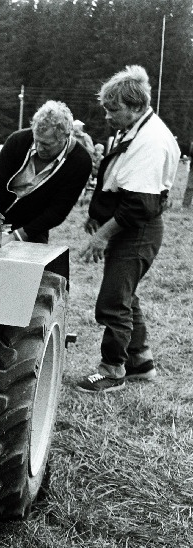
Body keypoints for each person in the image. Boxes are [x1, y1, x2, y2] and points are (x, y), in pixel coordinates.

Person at [76, 65, 180, 394]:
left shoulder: (151, 140)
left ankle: (112, 370)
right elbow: (120, 179)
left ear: (135, 106)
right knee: (125, 296)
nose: (107, 116)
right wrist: (99, 214)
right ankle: (140, 362)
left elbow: (139, 205)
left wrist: (102, 235)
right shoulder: (136, 128)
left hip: (138, 230)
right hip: (132, 226)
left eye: (113, 109)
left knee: (112, 302)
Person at [0, 100, 91, 243]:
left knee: (32, 254)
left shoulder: (80, 162)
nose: (39, 148)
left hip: (31, 223)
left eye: (46, 144)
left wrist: (16, 236)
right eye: (36, 140)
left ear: (65, 136)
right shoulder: (17, 140)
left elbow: (57, 211)